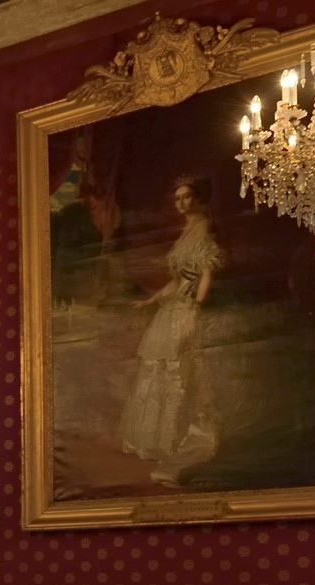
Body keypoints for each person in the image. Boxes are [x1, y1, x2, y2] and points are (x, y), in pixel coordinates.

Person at [117, 176, 223, 483]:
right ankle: (158, 440)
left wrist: (195, 308)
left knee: (179, 373)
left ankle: (179, 439)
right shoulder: (184, 232)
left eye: (187, 197)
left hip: (186, 311)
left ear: (200, 199)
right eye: (178, 198)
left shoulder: (204, 227)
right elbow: (178, 280)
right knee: (158, 372)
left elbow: (204, 275)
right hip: (170, 310)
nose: (181, 203)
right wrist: (150, 300)